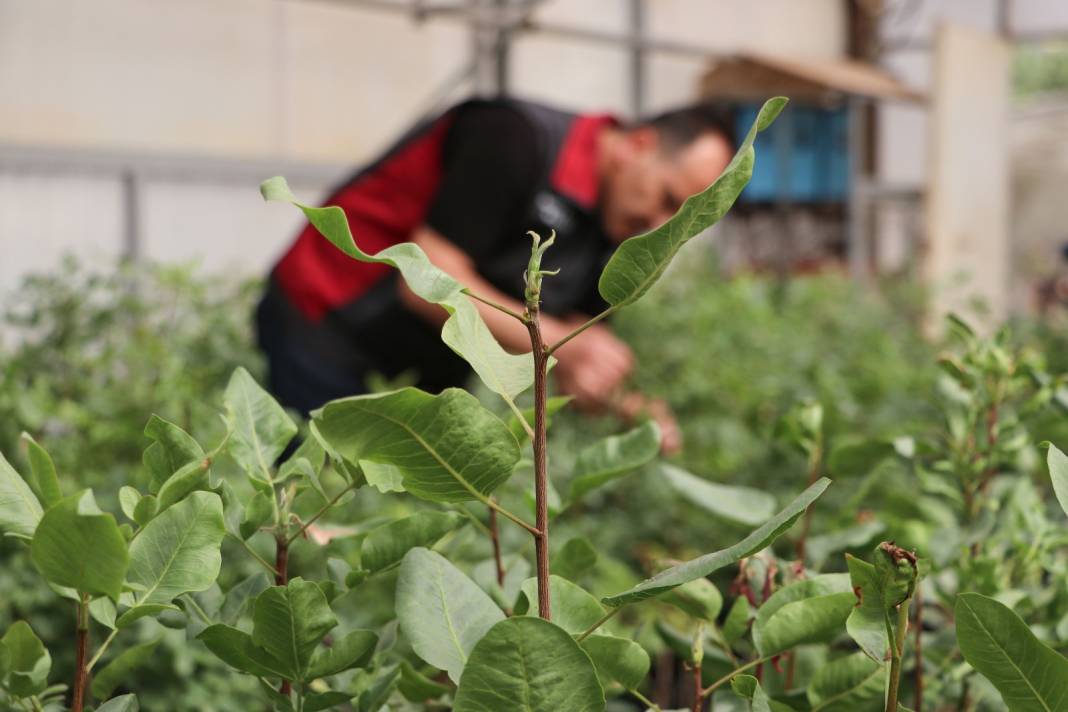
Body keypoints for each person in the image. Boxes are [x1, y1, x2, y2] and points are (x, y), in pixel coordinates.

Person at [256, 96, 735, 453]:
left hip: (420, 368)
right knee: (312, 512)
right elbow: (424, 282)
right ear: (638, 144)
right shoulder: (512, 138)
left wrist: (629, 408)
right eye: (668, 199)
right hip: (326, 321)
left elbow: (561, 357)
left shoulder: (615, 226)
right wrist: (567, 346)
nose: (659, 226)